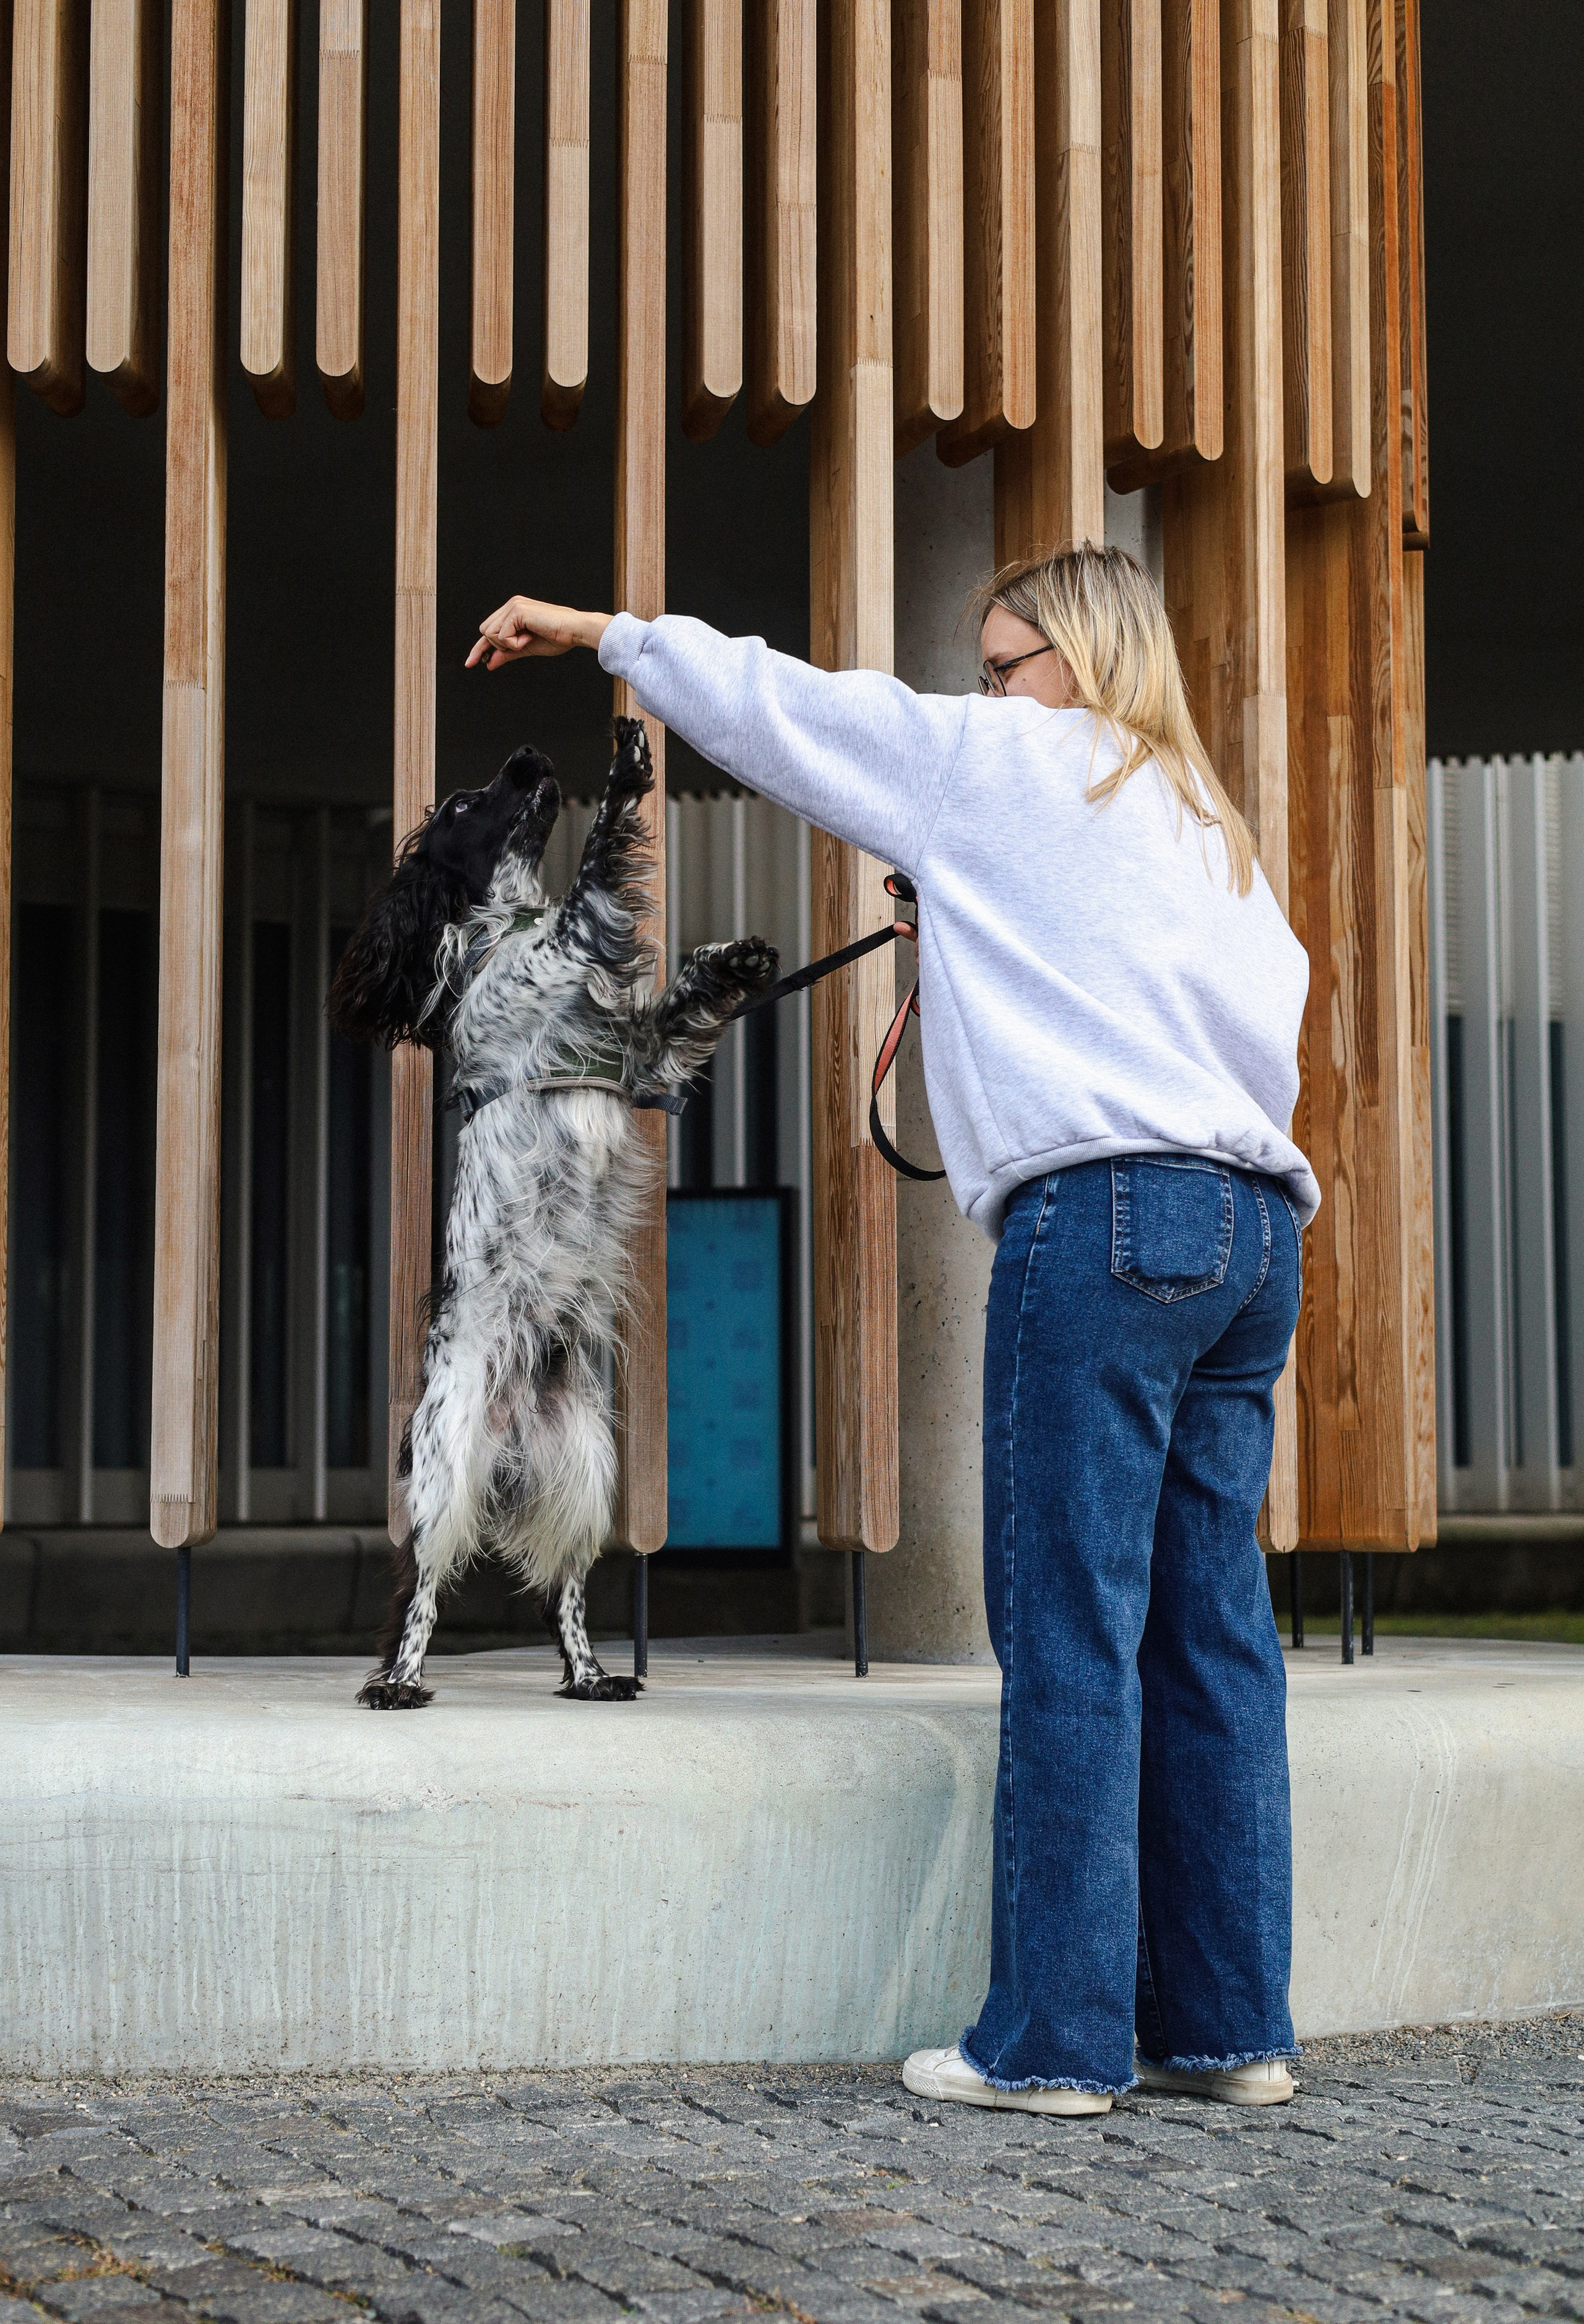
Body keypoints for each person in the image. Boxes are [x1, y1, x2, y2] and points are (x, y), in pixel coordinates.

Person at [467, 545, 1315, 2117]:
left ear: (1073, 658)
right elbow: (1258, 1022)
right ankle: (1228, 2031)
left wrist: (607, 633)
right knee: (1210, 1633)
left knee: (1069, 1626)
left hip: (1103, 1224)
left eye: (1001, 664)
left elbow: (787, 711)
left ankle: (1052, 2045)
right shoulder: (1206, 825)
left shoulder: (999, 763)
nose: (980, 690)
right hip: (1250, 1231)